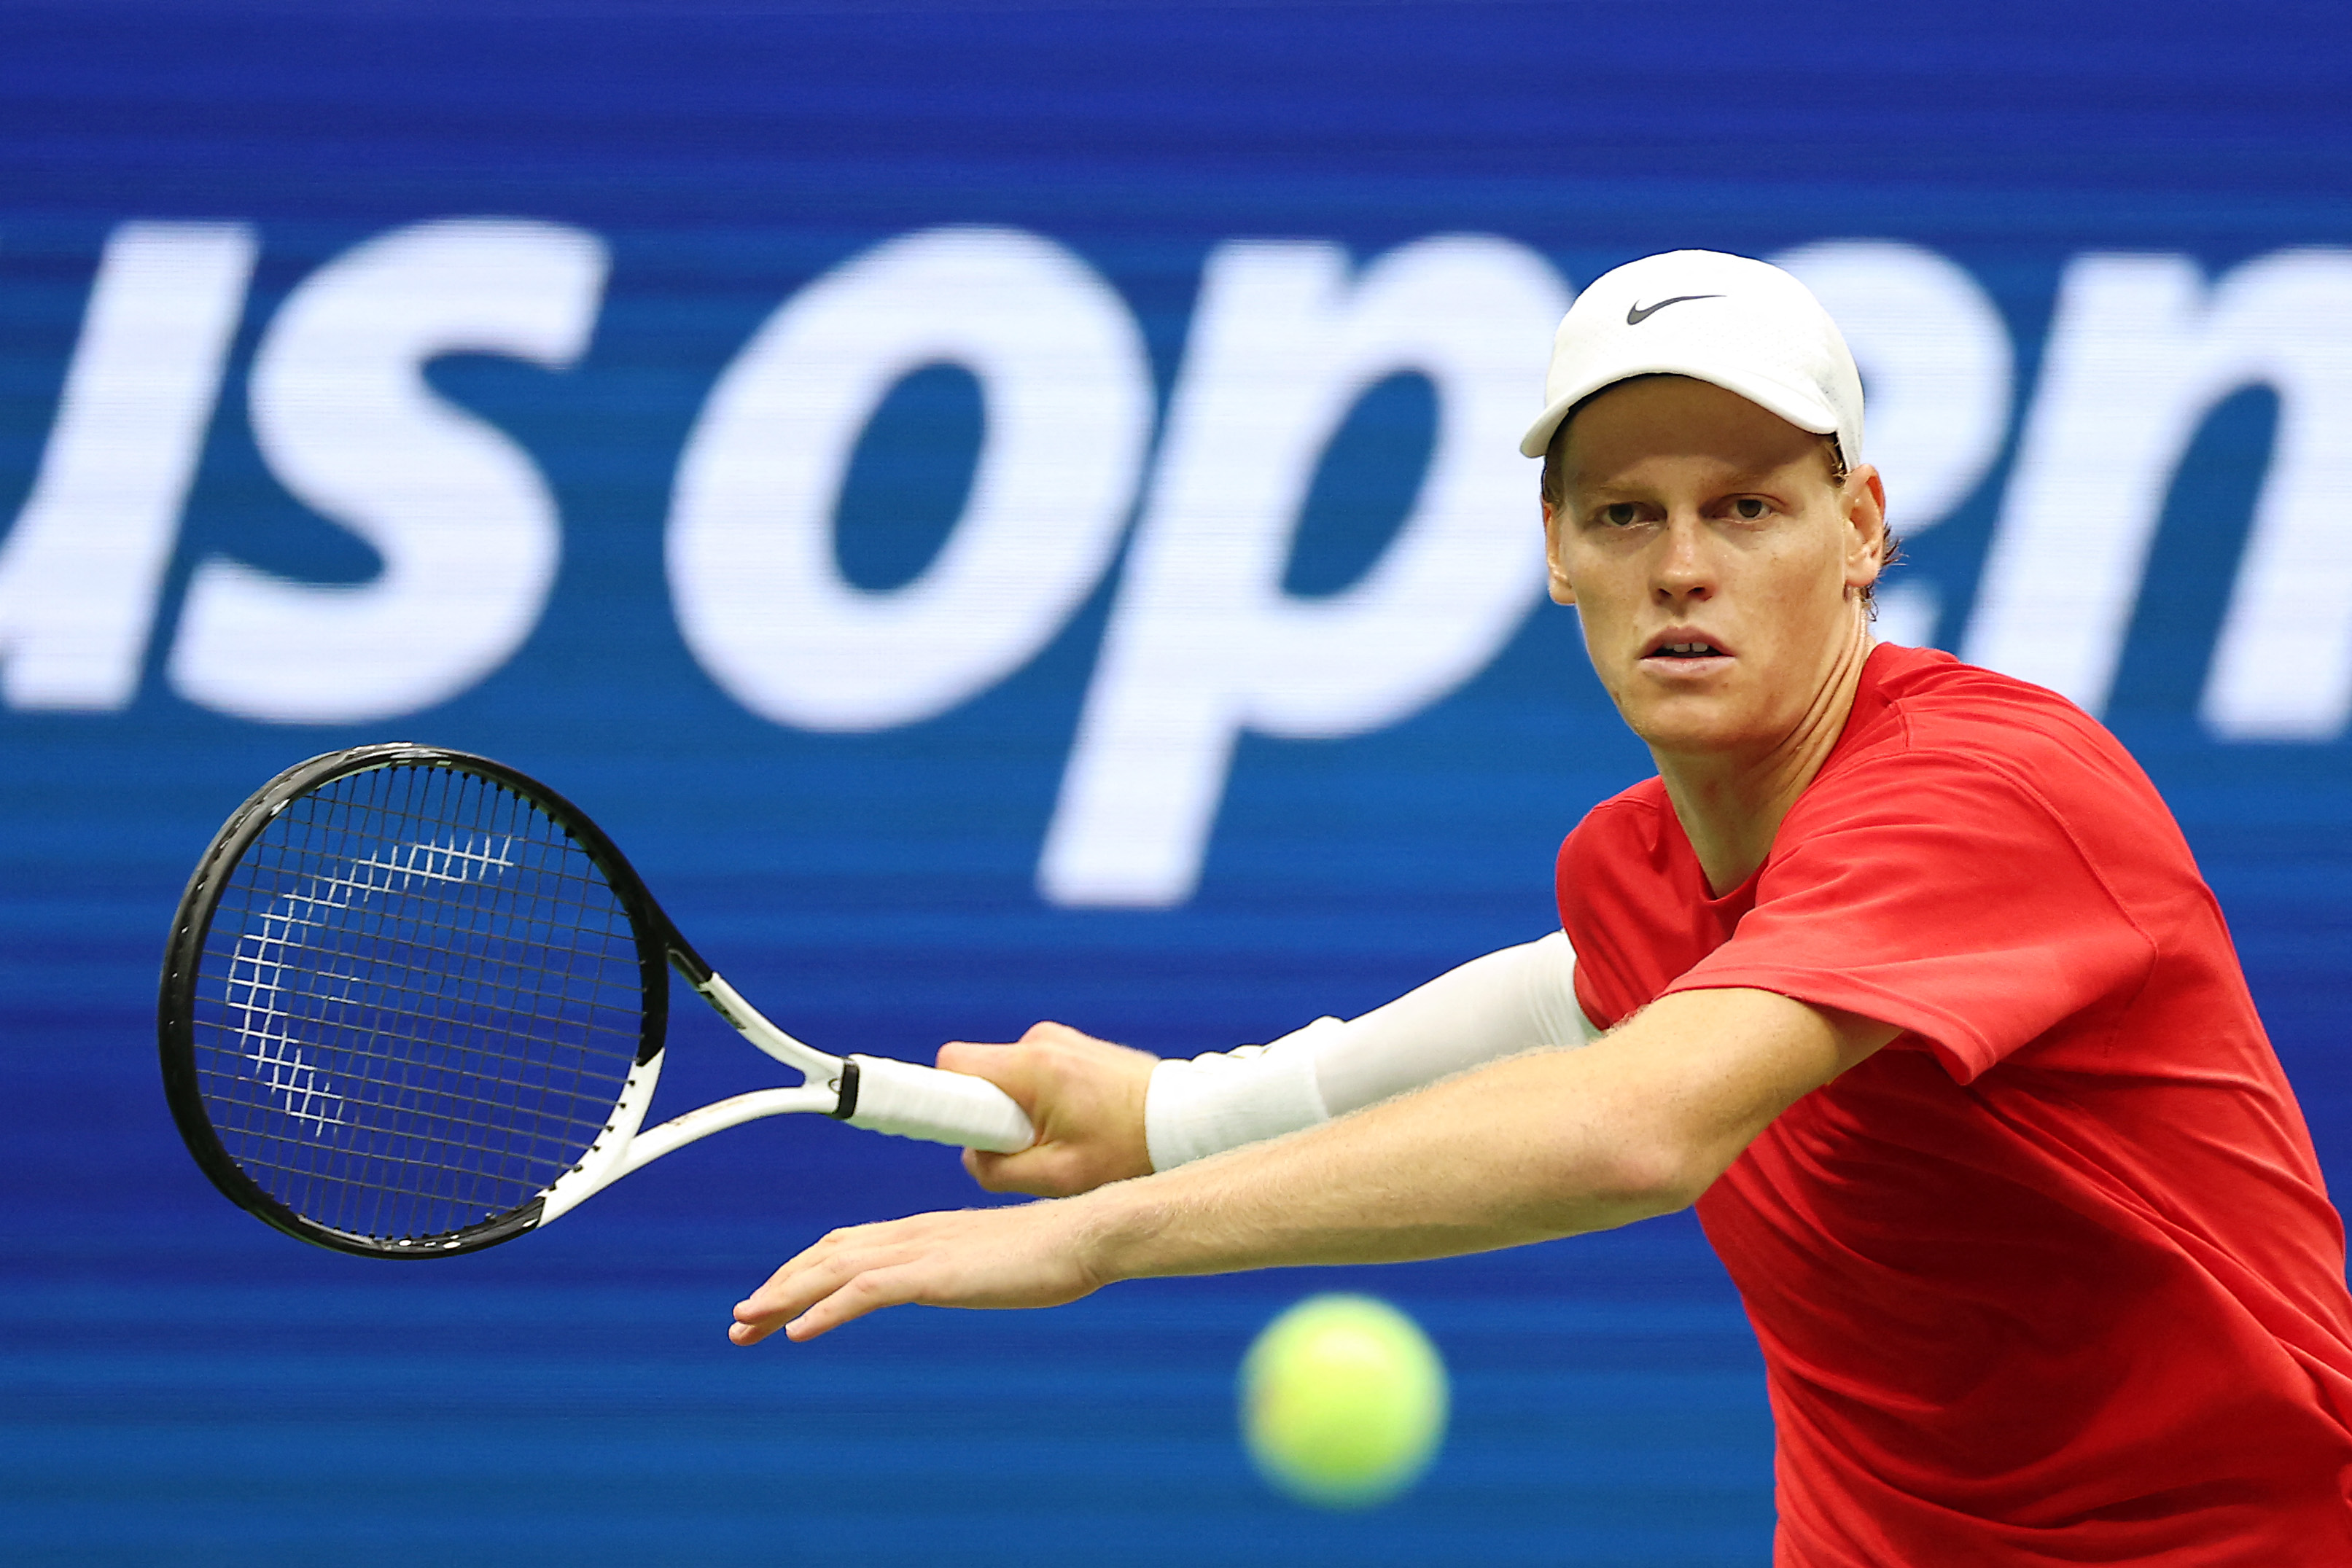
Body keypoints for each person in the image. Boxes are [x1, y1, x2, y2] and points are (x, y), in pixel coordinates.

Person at [729, 250, 2352, 1561]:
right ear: (1557, 553)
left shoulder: (1988, 792)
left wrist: (1100, 1237)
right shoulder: (1636, 866)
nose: (1681, 564)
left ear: (1861, 529)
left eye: (1746, 506)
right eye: (1623, 513)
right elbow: (1570, 993)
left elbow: (1635, 1120)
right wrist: (1166, 1110)